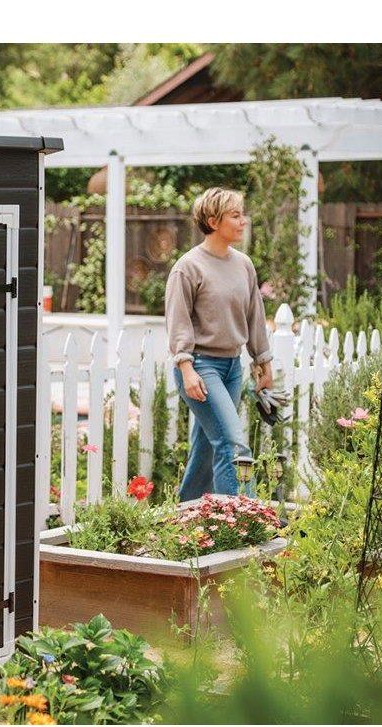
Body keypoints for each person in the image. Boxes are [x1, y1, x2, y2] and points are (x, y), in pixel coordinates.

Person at [164, 187, 273, 501]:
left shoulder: (243, 264)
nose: (243, 221)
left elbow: (254, 315)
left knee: (207, 449)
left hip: (232, 368)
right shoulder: (188, 267)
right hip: (200, 368)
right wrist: (186, 369)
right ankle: (246, 517)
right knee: (233, 445)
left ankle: (187, 512)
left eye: (242, 214)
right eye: (235, 216)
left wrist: (263, 361)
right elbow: (178, 322)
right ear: (213, 221)